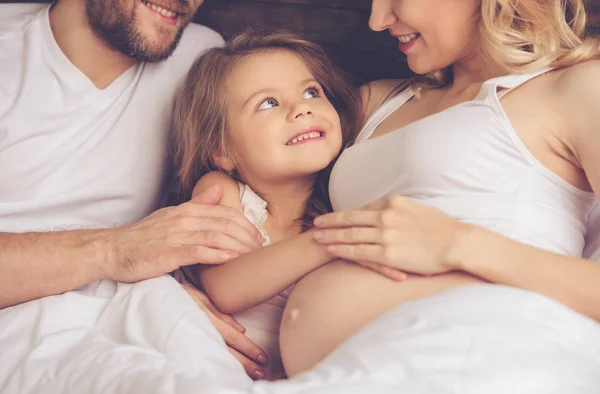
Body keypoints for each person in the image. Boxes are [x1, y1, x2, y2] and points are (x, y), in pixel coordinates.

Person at [269, 0, 600, 385]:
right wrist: (219, 186)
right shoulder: (374, 103)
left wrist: (458, 244)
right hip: (349, 373)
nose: (378, 21)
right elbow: (266, 159)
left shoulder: (576, 88)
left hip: (478, 360)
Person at [0, 0, 269, 378]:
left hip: (128, 316)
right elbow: (132, 248)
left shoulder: (200, 56)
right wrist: (119, 252)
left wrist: (165, 293)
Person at [170, 29, 404, 380]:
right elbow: (226, 288)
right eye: (268, 103)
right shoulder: (224, 192)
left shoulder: (341, 201)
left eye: (311, 91)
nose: (301, 109)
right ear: (222, 149)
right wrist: (330, 240)